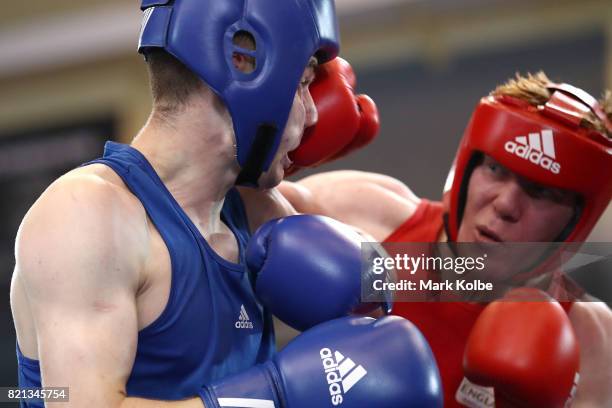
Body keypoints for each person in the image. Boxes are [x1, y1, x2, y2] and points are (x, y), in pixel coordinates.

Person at [10, 1, 444, 407]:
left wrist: (374, 283)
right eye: (304, 83)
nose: (312, 114)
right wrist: (273, 394)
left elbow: (392, 274)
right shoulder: (88, 214)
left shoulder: (255, 211)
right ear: (244, 63)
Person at [280, 72, 612, 407]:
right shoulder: (371, 218)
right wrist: (279, 147)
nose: (506, 205)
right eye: (495, 169)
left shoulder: (593, 340)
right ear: (467, 167)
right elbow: (234, 211)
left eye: (540, 191)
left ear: (575, 223)